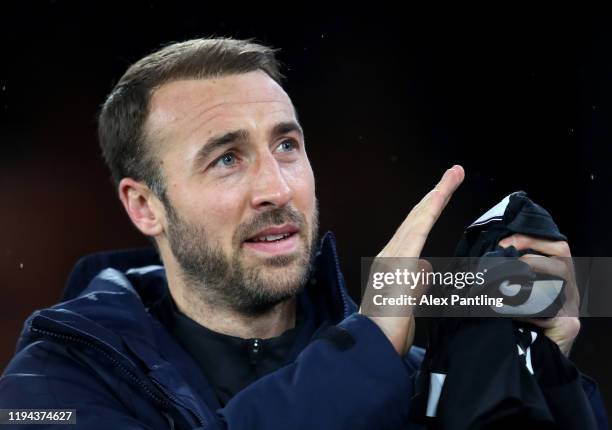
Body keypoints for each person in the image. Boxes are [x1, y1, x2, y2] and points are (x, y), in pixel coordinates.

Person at [0, 37, 605, 429]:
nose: (277, 188)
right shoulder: (51, 384)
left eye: (286, 146)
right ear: (144, 205)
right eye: (227, 159)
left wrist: (537, 378)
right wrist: (365, 347)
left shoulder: (412, 368)